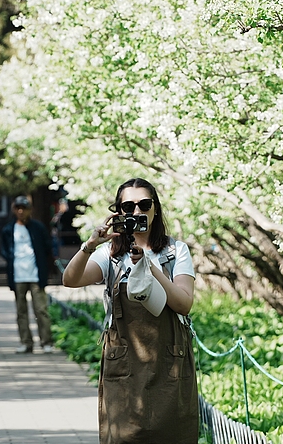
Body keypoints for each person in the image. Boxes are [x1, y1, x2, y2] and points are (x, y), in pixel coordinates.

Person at [61, 178, 198, 443]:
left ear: (155, 208)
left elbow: (184, 303)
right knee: (123, 436)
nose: (137, 211)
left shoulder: (175, 251)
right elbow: (70, 280)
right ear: (119, 211)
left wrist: (150, 267)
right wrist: (90, 245)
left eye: (144, 204)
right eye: (128, 206)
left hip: (169, 360)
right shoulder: (110, 254)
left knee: (173, 434)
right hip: (124, 363)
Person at [1, 195, 55, 354]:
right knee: (21, 311)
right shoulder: (8, 229)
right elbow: (5, 250)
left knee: (41, 309)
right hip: (17, 274)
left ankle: (46, 342)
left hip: (36, 274)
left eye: (24, 208)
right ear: (14, 209)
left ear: (29, 210)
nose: (21, 211)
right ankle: (26, 342)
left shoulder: (38, 227)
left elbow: (47, 248)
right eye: (18, 208)